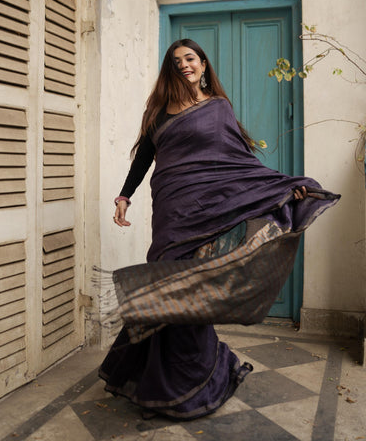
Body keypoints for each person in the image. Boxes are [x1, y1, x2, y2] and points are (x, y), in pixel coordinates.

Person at [98, 39, 340, 421]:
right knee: (165, 288)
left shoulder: (218, 107)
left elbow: (239, 161)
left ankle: (189, 386)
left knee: (192, 294)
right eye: (176, 61)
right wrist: (124, 195)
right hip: (172, 211)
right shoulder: (157, 112)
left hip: (209, 210)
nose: (184, 65)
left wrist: (281, 188)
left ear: (203, 64)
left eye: (190, 58)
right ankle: (156, 383)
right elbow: (144, 157)